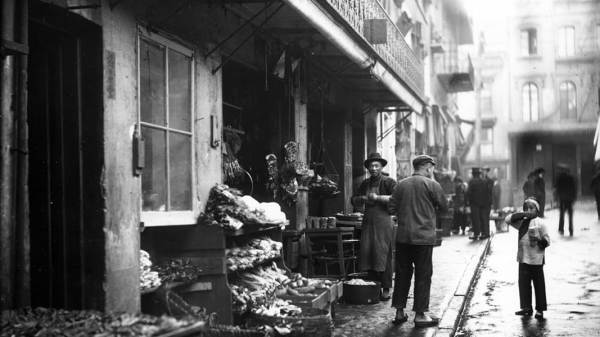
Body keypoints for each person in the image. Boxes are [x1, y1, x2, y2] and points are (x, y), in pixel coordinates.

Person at [389, 155, 448, 327]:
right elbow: (444, 207)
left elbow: (391, 207)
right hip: (423, 238)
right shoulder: (432, 185)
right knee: (423, 274)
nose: (432, 170)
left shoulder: (401, 184)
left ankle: (399, 312)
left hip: (403, 238)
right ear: (428, 167)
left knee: (402, 274)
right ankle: (420, 315)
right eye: (431, 168)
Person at [351, 153, 396, 300]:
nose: (374, 168)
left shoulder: (389, 182)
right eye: (371, 166)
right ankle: (372, 286)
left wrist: (378, 198)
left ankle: (386, 288)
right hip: (368, 221)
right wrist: (362, 198)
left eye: (377, 165)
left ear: (382, 167)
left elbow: (396, 198)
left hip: (383, 222)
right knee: (368, 253)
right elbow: (354, 200)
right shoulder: (365, 183)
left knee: (383, 254)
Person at [504, 198, 550, 320]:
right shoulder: (522, 223)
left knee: (539, 284)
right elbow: (507, 219)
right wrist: (523, 214)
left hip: (537, 259)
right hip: (523, 258)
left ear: (537, 210)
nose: (529, 210)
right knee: (523, 284)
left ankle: (540, 309)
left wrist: (540, 241)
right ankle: (526, 308)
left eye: (531, 208)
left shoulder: (541, 223)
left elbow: (547, 240)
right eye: (526, 208)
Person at [467, 167, 492, 240]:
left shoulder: (472, 181)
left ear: (473, 174)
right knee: (483, 219)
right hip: (484, 203)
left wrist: (468, 202)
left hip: (474, 204)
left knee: (475, 219)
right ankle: (485, 233)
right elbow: (488, 192)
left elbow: (469, 193)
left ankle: (477, 234)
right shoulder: (484, 181)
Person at [554, 164, 577, 236]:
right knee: (570, 215)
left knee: (562, 215)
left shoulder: (559, 178)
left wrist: (557, 198)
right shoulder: (571, 178)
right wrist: (574, 198)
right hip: (569, 199)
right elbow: (574, 189)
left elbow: (557, 189)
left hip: (562, 199)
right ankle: (571, 230)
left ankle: (561, 229)